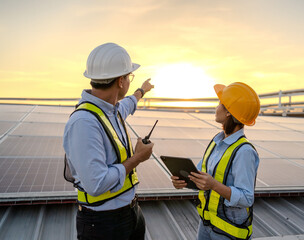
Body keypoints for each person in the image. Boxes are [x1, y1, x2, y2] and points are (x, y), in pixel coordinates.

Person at [63, 42, 154, 240]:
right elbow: (97, 184)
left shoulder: (111, 110)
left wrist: (142, 90)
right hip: (104, 224)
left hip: (130, 213)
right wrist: (137, 158)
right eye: (130, 77)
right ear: (121, 81)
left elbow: (129, 103)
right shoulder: (84, 122)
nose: (130, 81)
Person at [171, 82, 260, 240]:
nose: (216, 107)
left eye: (220, 103)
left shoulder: (244, 152)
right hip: (206, 225)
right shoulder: (216, 142)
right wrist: (185, 181)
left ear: (228, 112)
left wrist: (214, 185)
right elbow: (203, 176)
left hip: (229, 233)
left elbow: (247, 198)